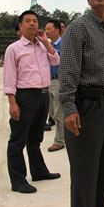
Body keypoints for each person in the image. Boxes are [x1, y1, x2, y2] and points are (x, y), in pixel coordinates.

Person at [59, 0, 104, 207]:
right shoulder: (78, 28)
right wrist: (68, 107)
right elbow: (68, 69)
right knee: (85, 175)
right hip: (85, 107)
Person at [3, 10, 61, 193]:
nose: (32, 24)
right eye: (27, 21)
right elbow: (9, 78)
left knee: (35, 138)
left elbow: (55, 60)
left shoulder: (43, 46)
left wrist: (46, 42)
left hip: (42, 95)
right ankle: (18, 180)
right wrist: (12, 102)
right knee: (18, 140)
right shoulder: (14, 49)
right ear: (20, 26)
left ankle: (39, 171)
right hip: (25, 96)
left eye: (35, 21)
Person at [45, 19, 65, 152]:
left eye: (48, 29)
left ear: (57, 31)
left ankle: (60, 140)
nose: (46, 31)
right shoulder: (47, 45)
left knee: (59, 113)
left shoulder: (64, 44)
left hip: (59, 80)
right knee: (52, 112)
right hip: (48, 81)